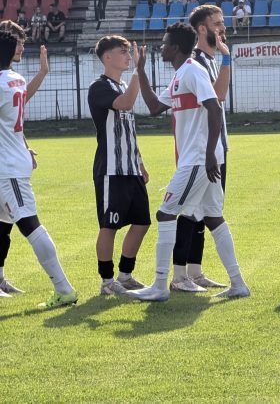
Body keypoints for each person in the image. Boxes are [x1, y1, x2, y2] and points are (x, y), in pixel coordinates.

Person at [128, 22, 248, 301]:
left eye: (164, 43)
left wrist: (209, 153)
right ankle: (238, 284)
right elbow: (154, 107)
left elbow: (215, 109)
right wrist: (140, 70)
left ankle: (160, 286)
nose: (161, 47)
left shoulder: (193, 71)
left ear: (176, 47)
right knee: (213, 217)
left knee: (166, 213)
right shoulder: (180, 75)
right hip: (198, 158)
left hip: (198, 159)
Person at [0, 31, 77, 308]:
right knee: (3, 226)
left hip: (8, 169)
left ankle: (64, 289)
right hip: (10, 163)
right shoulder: (15, 79)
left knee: (29, 224)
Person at [169, 6, 233, 292]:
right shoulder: (196, 62)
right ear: (202, 29)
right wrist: (227, 59)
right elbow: (218, 96)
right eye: (217, 23)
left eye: (222, 22)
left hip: (215, 148)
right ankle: (180, 275)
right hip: (201, 151)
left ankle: (194, 272)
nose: (222, 28)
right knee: (189, 213)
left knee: (205, 212)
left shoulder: (210, 60)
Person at [87, 36, 151, 295]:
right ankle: (107, 281)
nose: (128, 55)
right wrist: (138, 70)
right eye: (122, 51)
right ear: (107, 57)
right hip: (111, 170)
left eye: (128, 51)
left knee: (142, 222)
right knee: (109, 225)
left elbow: (128, 129)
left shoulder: (123, 85)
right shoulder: (99, 87)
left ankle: (125, 275)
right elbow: (125, 103)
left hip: (131, 168)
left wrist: (140, 162)